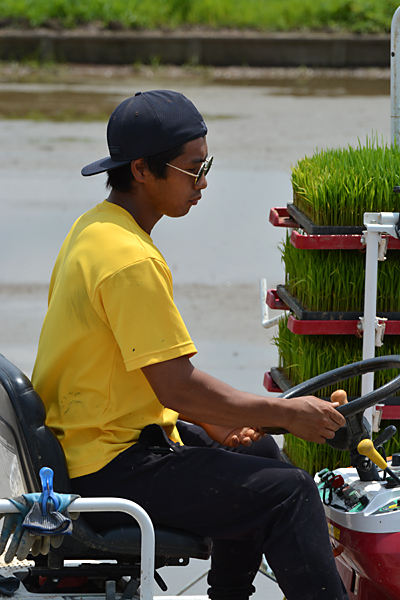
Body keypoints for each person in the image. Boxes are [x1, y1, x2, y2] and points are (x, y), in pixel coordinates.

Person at [32, 90, 348, 600]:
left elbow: (153, 378)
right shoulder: (131, 261)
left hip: (94, 439)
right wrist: (287, 413)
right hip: (108, 465)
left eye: (207, 166)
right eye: (192, 170)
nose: (203, 183)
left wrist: (219, 419)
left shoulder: (94, 227)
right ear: (140, 169)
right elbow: (178, 385)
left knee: (262, 454)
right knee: (289, 493)